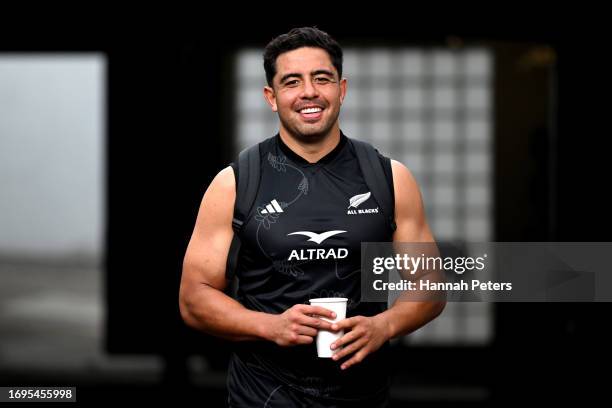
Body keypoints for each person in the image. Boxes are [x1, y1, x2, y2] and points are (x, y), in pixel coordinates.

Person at [179, 26, 445, 407]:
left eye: (322, 79)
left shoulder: (389, 178)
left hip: (360, 393)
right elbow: (194, 299)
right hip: (263, 392)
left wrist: (382, 326)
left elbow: (431, 286)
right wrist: (270, 326)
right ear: (271, 97)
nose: (309, 92)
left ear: (342, 89)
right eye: (292, 82)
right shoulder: (235, 183)